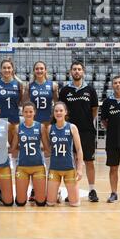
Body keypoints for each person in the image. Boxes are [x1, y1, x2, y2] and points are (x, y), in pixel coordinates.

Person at [59, 61, 99, 203]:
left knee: (89, 161)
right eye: (74, 69)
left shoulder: (90, 90)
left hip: (87, 130)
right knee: (72, 161)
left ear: (83, 72)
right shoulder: (64, 91)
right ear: (71, 72)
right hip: (68, 131)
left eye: (79, 69)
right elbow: (61, 109)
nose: (77, 71)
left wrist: (86, 121)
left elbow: (94, 109)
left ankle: (92, 190)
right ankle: (72, 191)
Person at [0, 59, 24, 200]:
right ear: (1, 69)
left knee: (15, 153)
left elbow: (21, 101)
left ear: (12, 69)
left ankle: (15, 187)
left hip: (14, 122)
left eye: (9, 67)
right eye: (4, 68)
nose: (7, 70)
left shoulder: (18, 84)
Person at [28, 60, 59, 201]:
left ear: (46, 70)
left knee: (48, 154)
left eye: (42, 68)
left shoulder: (52, 85)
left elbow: (57, 104)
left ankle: (53, 189)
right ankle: (35, 189)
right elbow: (25, 103)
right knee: (34, 156)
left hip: (47, 124)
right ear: (34, 71)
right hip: (34, 125)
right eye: (37, 69)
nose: (39, 71)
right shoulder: (30, 86)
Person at [11, 102, 49, 207]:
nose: (28, 114)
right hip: (22, 167)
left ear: (34, 112)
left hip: (38, 166)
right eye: (26, 112)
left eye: (30, 111)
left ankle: (55, 193)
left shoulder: (40, 127)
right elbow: (13, 148)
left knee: (41, 202)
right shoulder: (18, 127)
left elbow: (46, 147)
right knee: (20, 202)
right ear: (22, 113)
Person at [46, 102, 83, 207]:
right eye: (56, 111)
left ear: (65, 112)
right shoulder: (50, 128)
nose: (58, 113)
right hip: (54, 169)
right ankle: (56, 194)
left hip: (69, 169)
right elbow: (48, 149)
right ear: (53, 113)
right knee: (50, 203)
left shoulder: (72, 127)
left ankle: (65, 193)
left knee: (75, 204)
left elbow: (79, 150)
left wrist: (79, 169)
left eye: (61, 110)